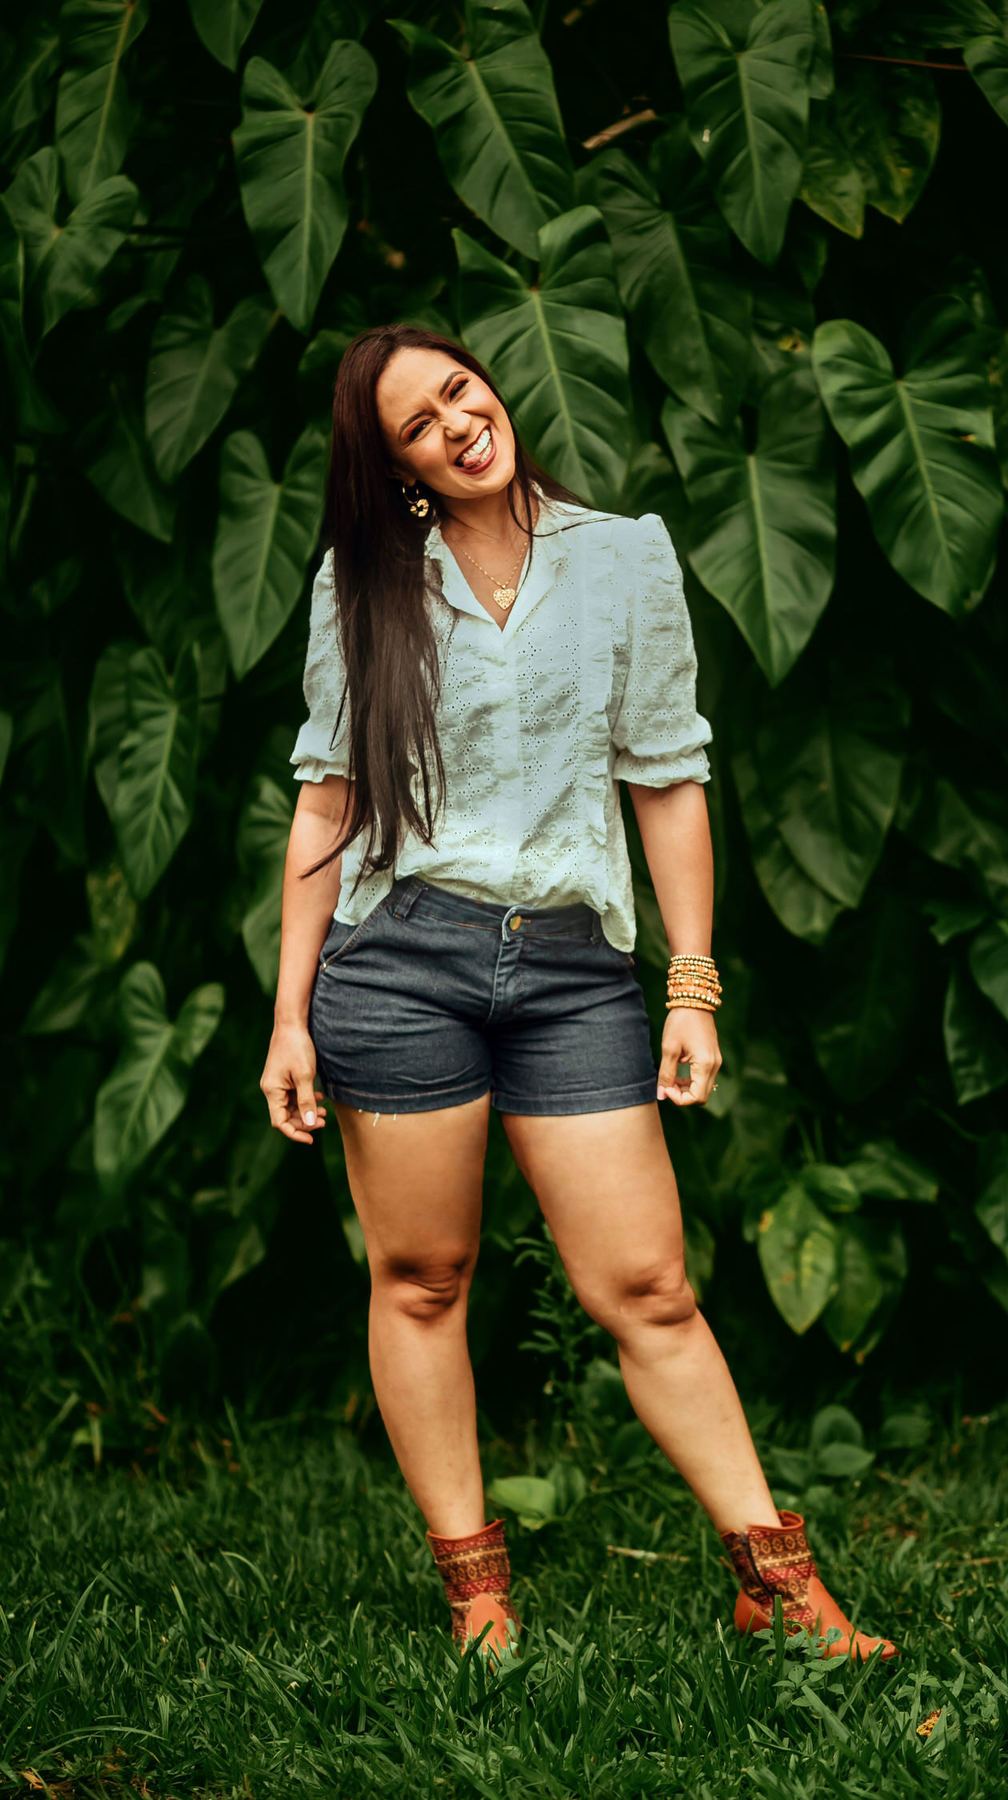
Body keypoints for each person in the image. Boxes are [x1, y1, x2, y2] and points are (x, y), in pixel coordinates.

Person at [260, 323, 898, 1665]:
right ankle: (477, 1595)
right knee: (422, 1276)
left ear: (491, 386)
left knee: (648, 1285)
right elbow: (328, 801)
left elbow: (667, 777)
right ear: (398, 470)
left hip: (573, 971)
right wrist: (288, 1016)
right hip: (401, 961)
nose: (457, 423)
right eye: (418, 426)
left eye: (460, 390)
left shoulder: (624, 557)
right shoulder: (362, 585)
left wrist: (691, 984)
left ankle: (776, 1580)